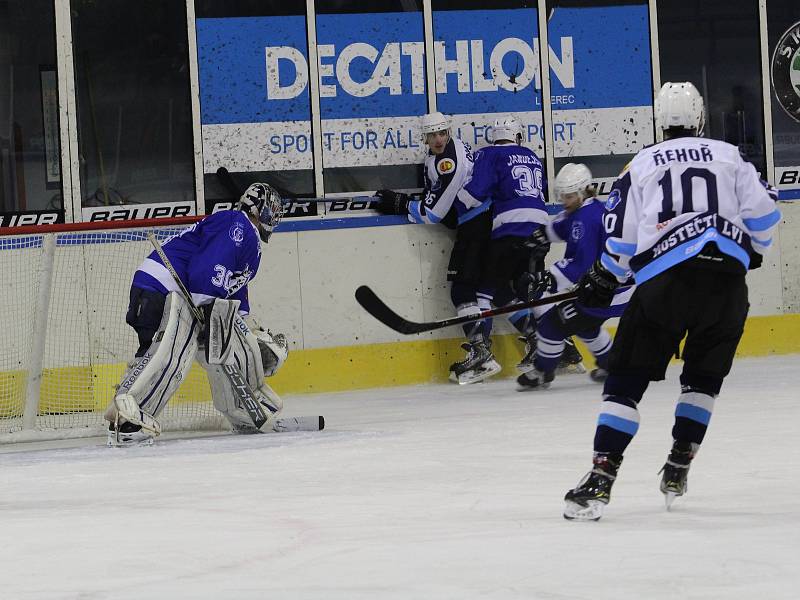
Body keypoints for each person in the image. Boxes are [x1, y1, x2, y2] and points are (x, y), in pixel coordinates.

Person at [562, 82, 781, 521]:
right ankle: (679, 464)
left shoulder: (640, 163)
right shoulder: (730, 155)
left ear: (659, 123)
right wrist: (746, 249)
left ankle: (601, 478)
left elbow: (622, 239)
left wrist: (605, 275)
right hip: (726, 287)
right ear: (700, 119)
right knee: (702, 381)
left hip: (666, 285)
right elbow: (767, 224)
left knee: (623, 384)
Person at [104, 183, 290, 446]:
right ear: (259, 209)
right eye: (272, 208)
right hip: (166, 289)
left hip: (165, 290)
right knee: (173, 355)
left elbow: (233, 295)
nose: (275, 215)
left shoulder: (248, 242)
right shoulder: (238, 225)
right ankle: (131, 417)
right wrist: (207, 305)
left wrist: (243, 331)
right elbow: (208, 266)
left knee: (163, 353)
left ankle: (244, 410)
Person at [375, 112, 499, 384]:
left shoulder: (447, 161)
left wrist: (402, 204)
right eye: (433, 135)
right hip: (481, 223)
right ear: (425, 137)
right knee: (485, 291)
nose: (439, 139)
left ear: (448, 132)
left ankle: (482, 354)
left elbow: (434, 213)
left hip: (476, 225)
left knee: (462, 290)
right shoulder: (449, 152)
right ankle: (505, 348)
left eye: (442, 133)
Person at [516, 162, 634, 390]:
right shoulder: (585, 210)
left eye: (569, 196)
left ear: (583, 192)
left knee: (552, 324)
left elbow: (582, 264)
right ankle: (611, 365)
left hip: (606, 291)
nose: (564, 201)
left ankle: (543, 372)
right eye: (562, 196)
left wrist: (547, 278)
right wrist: (543, 235)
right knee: (585, 326)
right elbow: (563, 224)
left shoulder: (587, 218)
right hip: (612, 289)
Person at [455, 116, 553, 381]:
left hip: (510, 228)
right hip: (540, 228)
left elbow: (475, 192)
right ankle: (552, 345)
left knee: (485, 292)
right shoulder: (532, 155)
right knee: (530, 290)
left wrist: (456, 207)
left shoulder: (489, 153)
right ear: (518, 136)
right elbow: (541, 190)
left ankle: (482, 354)